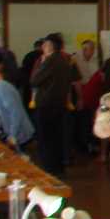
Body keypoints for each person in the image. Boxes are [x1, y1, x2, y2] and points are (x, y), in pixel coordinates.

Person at [29, 33, 77, 176]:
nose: (43, 47)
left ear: (50, 46)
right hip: (60, 103)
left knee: (45, 139)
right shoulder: (65, 60)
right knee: (57, 137)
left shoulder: (50, 61)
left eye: (45, 44)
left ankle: (49, 169)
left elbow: (34, 80)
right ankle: (58, 168)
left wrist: (42, 63)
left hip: (46, 104)